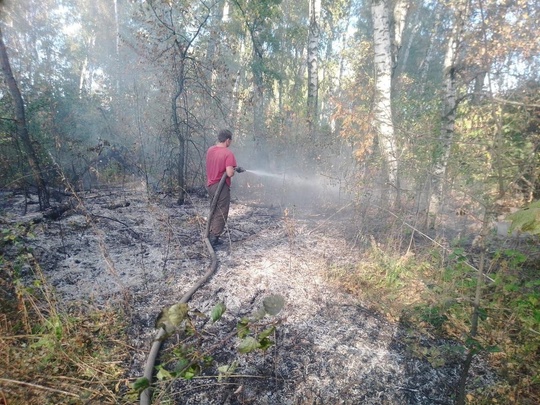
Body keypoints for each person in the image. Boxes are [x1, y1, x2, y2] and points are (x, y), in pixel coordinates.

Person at [205, 129, 240, 247]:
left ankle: (209, 233)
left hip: (210, 185)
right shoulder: (228, 153)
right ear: (227, 140)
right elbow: (229, 173)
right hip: (221, 187)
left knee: (214, 209)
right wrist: (234, 170)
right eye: (230, 141)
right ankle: (214, 237)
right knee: (222, 211)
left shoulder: (210, 150)